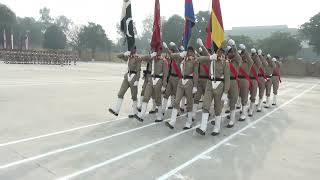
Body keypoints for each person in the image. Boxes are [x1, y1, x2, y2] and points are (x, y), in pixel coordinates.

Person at [196, 47, 230, 136]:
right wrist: (210, 57)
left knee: (218, 108)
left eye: (221, 52)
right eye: (218, 51)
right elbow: (199, 59)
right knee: (205, 105)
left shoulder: (225, 63)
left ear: (223, 54)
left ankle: (217, 128)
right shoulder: (211, 60)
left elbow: (227, 79)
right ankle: (203, 127)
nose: (219, 54)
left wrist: (225, 92)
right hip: (209, 84)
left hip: (220, 85)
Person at [165, 46, 199, 130]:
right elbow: (172, 56)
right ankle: (172, 122)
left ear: (193, 53)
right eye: (188, 51)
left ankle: (189, 122)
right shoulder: (183, 59)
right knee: (176, 101)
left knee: (189, 102)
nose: (189, 53)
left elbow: (196, 74)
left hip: (189, 81)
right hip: (181, 81)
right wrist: (177, 53)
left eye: (191, 51)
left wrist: (195, 86)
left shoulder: (195, 61)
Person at [109, 46, 144, 118]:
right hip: (127, 76)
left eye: (132, 49)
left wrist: (137, 80)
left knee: (134, 96)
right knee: (120, 93)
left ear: (135, 49)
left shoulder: (137, 58)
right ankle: (116, 110)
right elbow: (118, 56)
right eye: (130, 49)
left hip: (134, 77)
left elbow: (138, 70)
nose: (131, 50)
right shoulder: (128, 57)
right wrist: (125, 53)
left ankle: (135, 113)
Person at [134, 47, 168, 122]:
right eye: (156, 50)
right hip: (151, 79)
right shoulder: (151, 59)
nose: (157, 51)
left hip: (159, 80)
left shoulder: (164, 61)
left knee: (158, 99)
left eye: (158, 50)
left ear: (161, 51)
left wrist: (164, 85)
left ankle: (160, 115)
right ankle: (141, 114)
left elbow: (165, 74)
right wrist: (151, 55)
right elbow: (141, 58)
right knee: (146, 97)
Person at [161, 42, 182, 116]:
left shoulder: (179, 58)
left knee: (176, 96)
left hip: (177, 79)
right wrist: (166, 48)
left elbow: (178, 53)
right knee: (166, 94)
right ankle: (162, 110)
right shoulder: (172, 58)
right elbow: (169, 53)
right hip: (171, 78)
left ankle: (177, 110)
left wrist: (175, 46)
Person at [225, 40, 241, 127]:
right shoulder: (226, 61)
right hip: (225, 82)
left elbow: (238, 56)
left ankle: (232, 120)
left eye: (232, 52)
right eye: (229, 52)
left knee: (233, 101)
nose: (230, 54)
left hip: (234, 82)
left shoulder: (237, 61)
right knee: (224, 99)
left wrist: (234, 46)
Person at [237, 44, 254, 122]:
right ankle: (237, 110)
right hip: (237, 81)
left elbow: (250, 59)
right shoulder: (239, 62)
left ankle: (244, 113)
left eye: (244, 54)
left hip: (245, 81)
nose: (242, 56)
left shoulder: (249, 62)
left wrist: (245, 49)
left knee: (244, 97)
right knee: (236, 96)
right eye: (241, 54)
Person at [248, 48, 262, 117]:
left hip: (253, 80)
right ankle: (243, 108)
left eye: (253, 55)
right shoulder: (248, 62)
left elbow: (259, 62)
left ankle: (251, 109)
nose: (252, 56)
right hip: (247, 80)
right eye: (252, 55)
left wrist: (256, 55)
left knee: (253, 95)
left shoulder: (257, 64)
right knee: (243, 95)